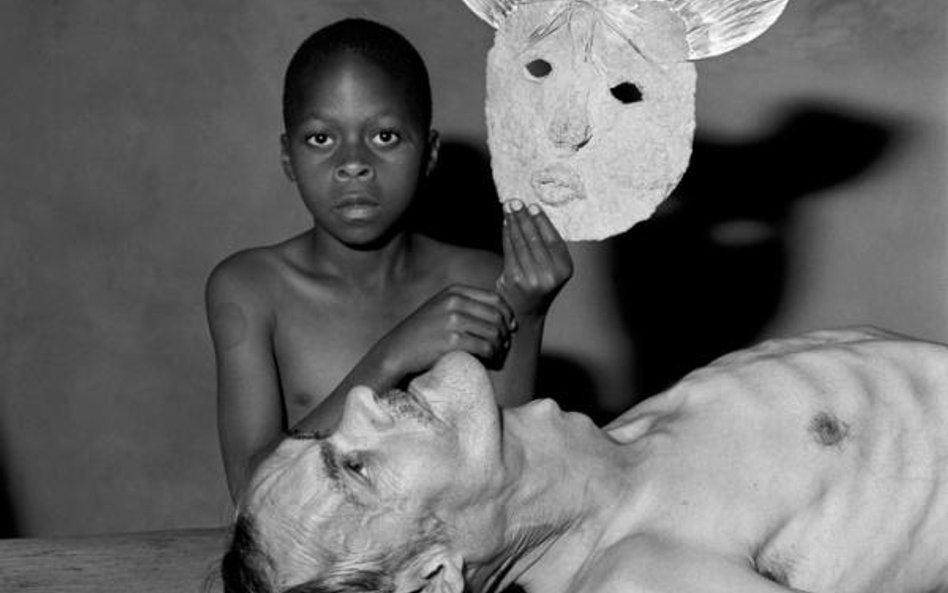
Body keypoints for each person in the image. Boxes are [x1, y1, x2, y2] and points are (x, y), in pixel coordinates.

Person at [222, 327, 948, 593]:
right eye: (357, 468)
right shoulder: (640, 575)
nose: (355, 404)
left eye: (322, 442)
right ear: (433, 575)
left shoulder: (610, 456)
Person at [205, 18, 573, 502]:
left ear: (429, 153)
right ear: (287, 158)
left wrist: (527, 315)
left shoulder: (480, 281)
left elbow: (501, 490)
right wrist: (393, 354)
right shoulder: (250, 287)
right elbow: (255, 495)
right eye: (321, 138)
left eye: (385, 137)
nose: (353, 162)